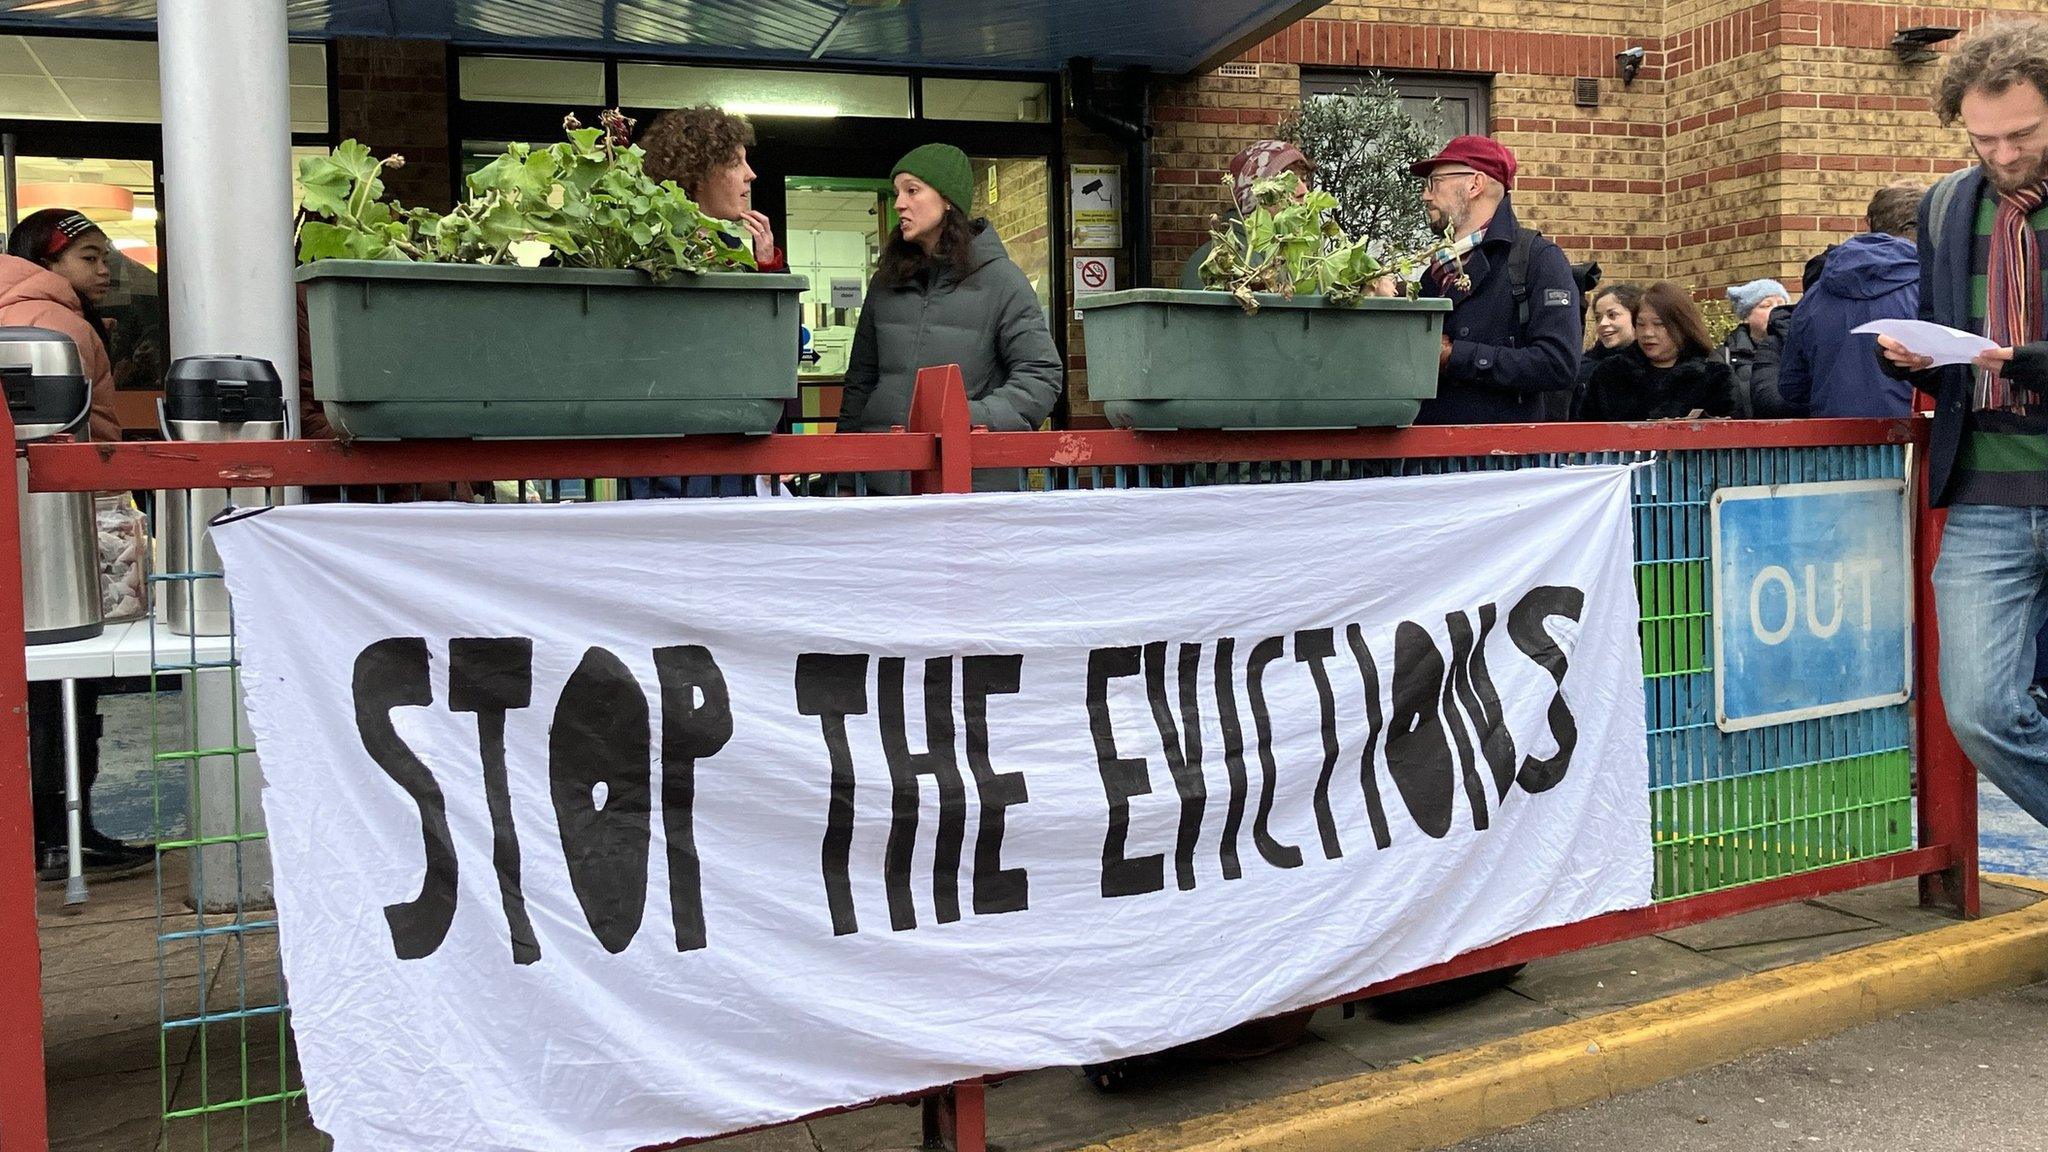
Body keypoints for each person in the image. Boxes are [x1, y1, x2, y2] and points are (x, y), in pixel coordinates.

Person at [1876, 19, 2048, 827]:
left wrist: (2018, 361)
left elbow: (2006, 356)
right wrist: (1908, 357)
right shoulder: (1947, 205)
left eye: (2022, 134)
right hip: (1986, 490)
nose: (2004, 155)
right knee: (1980, 713)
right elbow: (1944, 331)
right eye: (1985, 139)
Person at [0, 208, 146, 878]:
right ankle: (61, 832)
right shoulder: (54, 322)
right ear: (46, 261)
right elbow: (70, 432)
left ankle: (41, 832)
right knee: (69, 677)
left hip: (25, 521)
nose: (104, 267)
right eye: (88, 255)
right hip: (59, 519)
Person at [838, 143, 1062, 492]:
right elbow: (860, 382)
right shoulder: (886, 282)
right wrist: (846, 474)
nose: (899, 203)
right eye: (897, 192)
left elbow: (1041, 375)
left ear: (947, 200)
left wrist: (970, 417)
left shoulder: (1001, 281)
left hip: (970, 485)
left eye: (912, 190)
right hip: (882, 485)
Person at [630, 106, 790, 498]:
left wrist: (769, 270)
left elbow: (774, 355)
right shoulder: (643, 252)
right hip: (664, 450)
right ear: (697, 173)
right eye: (736, 162)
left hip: (730, 447)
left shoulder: (739, 250)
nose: (750, 174)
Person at [1408, 135, 1581, 424]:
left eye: (1434, 183)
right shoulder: (1434, 272)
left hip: (1501, 461)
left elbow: (1559, 363)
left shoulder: (1538, 259)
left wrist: (1455, 356)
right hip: (1430, 457)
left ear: (1475, 184)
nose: (1426, 195)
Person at [1779, 181, 1926, 417]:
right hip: (1912, 439)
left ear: (1868, 223)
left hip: (1835, 442)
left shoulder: (1815, 296)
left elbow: (1792, 388)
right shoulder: (1931, 289)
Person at [1581, 281, 1735, 421]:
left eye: (1659, 324)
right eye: (1641, 324)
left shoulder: (1714, 377)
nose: (1648, 333)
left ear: (1682, 326)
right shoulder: (1610, 374)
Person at [1180, 141, 1314, 290]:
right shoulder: (1219, 262)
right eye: (1288, 181)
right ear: (1257, 193)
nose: (1304, 191)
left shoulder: (1301, 258)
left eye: (1303, 180)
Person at [1720, 278, 1797, 418]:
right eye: (1765, 305)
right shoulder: (1726, 355)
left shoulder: (1797, 348)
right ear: (1746, 316)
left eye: (1781, 304)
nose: (1775, 310)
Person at [1573, 282, 1643, 420]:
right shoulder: (1584, 369)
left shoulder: (1653, 365)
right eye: (1598, 318)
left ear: (1636, 317)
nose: (1603, 324)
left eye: (1612, 315)